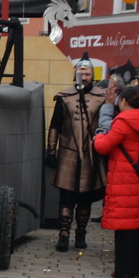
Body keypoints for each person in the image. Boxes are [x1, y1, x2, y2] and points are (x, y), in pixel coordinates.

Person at [93, 83, 139, 278]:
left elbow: (103, 147)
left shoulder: (123, 122)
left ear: (123, 101)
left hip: (126, 179)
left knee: (126, 227)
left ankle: (125, 270)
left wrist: (98, 135)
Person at [47, 59, 108, 252]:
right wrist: (51, 150)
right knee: (66, 197)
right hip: (68, 154)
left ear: (92, 75)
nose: (84, 77)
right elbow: (55, 124)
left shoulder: (102, 98)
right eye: (81, 73)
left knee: (84, 198)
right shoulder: (64, 97)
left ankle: (81, 233)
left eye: (87, 74)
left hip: (91, 156)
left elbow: (106, 125)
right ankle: (63, 234)